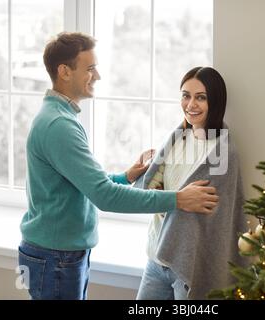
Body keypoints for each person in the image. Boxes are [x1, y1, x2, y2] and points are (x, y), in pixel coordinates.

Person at [18, 33, 219, 300]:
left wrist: (125, 177)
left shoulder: (59, 116)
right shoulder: (59, 125)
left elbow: (80, 184)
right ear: (64, 72)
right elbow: (104, 196)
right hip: (56, 258)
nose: (98, 76)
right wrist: (179, 199)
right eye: (90, 69)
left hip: (55, 254)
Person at [134, 67, 248, 300]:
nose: (190, 104)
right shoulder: (176, 139)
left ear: (215, 101)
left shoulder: (223, 153)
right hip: (156, 256)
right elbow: (155, 190)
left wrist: (171, 198)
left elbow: (214, 215)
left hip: (188, 264)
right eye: (186, 95)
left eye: (200, 97)